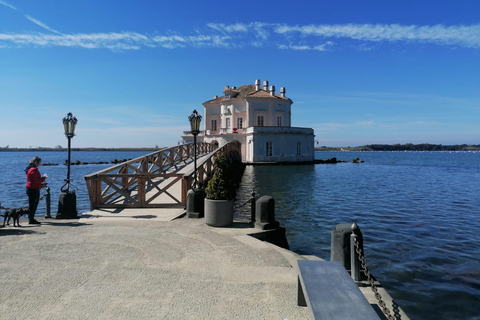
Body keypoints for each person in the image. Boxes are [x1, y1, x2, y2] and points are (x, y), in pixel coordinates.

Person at [25, 156, 47, 224]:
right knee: (33, 204)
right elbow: (36, 180)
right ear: (37, 162)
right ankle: (31, 219)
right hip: (33, 188)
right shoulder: (34, 170)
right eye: (39, 162)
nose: (40, 164)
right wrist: (43, 178)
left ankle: (31, 218)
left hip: (31, 188)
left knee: (32, 204)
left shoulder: (29, 169)